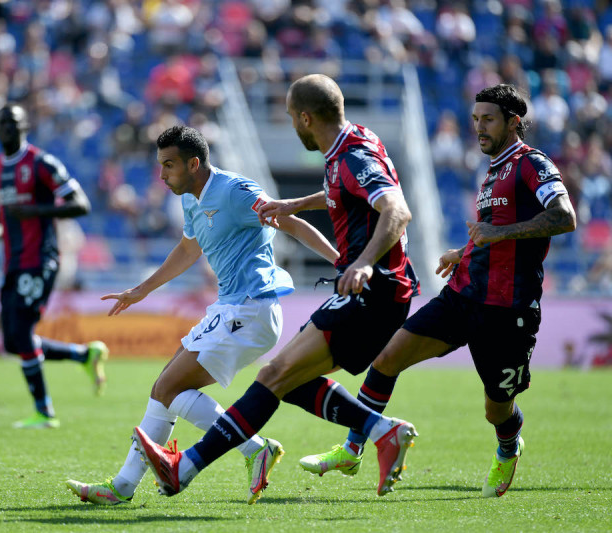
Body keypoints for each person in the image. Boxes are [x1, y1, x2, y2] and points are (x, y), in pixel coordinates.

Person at [131, 74, 420, 501]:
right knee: (286, 379)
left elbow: (397, 209)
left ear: (306, 117)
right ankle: (382, 430)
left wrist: (360, 262)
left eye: (290, 116)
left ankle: (187, 465)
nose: (290, 125)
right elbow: (342, 191)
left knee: (272, 376)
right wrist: (298, 202)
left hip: (372, 288)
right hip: (377, 289)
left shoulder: (351, 156)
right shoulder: (354, 143)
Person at [303, 83, 577, 498]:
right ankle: (354, 448)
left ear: (513, 122)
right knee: (387, 357)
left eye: (488, 120)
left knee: (495, 408)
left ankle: (508, 446)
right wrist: (462, 251)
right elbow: (491, 235)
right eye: (475, 119)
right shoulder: (493, 170)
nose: (479, 128)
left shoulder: (531, 164)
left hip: (507, 309)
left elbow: (564, 217)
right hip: (463, 294)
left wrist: (496, 233)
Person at [66, 125, 340, 505]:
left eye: (169, 166)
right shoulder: (190, 199)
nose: (162, 175)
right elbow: (188, 248)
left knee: (168, 388)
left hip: (252, 307)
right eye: (160, 165)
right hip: (231, 307)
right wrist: (141, 290)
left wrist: (342, 262)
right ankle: (123, 487)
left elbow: (291, 222)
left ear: (194, 164)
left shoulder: (234, 191)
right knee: (163, 389)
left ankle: (255, 449)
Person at [0, 104, 109, 429]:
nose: (8, 128)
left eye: (14, 123)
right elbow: (3, 219)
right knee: (12, 342)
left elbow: (81, 205)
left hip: (40, 260)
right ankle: (84, 355)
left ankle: (44, 412)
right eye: (2, 123)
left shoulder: (41, 163)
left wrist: (34, 210)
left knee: (21, 334)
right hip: (12, 262)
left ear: (26, 127)